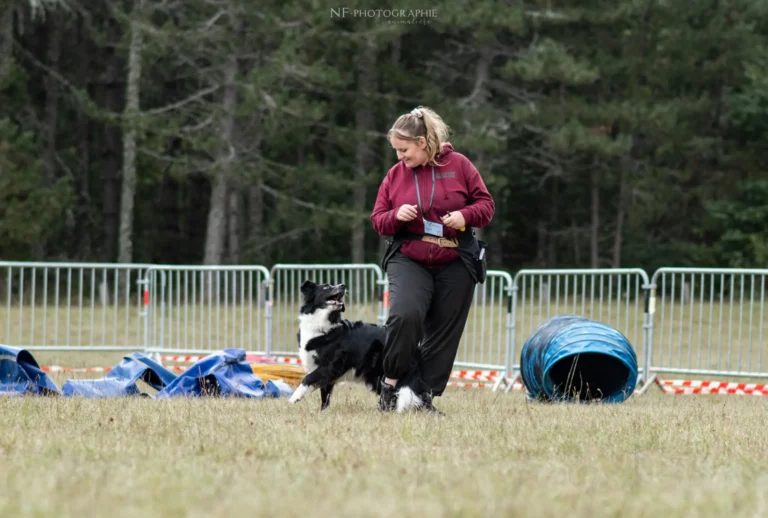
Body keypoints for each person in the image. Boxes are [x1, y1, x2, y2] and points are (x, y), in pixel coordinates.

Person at [370, 106, 495, 414]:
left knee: (443, 331)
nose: (400, 157)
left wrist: (464, 216)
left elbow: (486, 205)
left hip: (456, 258)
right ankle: (390, 385)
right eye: (396, 151)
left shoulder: (460, 165)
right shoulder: (394, 176)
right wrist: (396, 216)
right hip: (410, 257)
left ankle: (422, 396)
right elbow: (378, 220)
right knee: (405, 315)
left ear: (422, 143)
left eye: (404, 150)